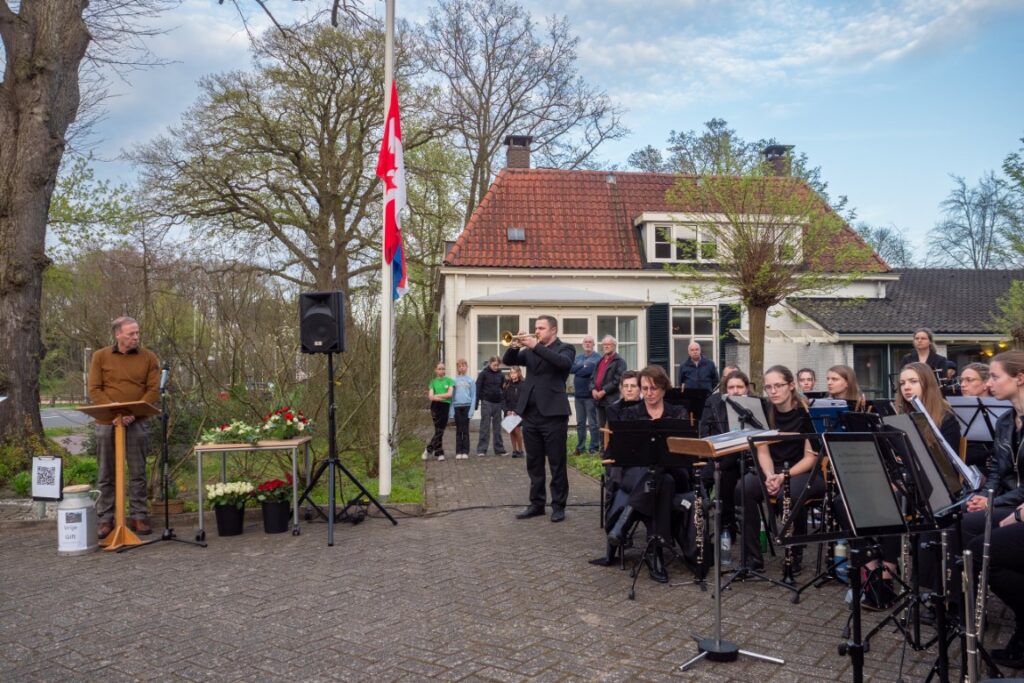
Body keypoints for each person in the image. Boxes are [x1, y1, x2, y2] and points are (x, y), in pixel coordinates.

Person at [591, 366, 689, 582]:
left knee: (660, 473)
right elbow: (619, 452)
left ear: (664, 388)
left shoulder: (678, 413)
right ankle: (656, 551)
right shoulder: (630, 414)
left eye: (654, 388)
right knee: (660, 480)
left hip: (672, 470)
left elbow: (682, 452)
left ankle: (625, 521)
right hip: (635, 473)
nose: (649, 393)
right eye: (645, 388)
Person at [735, 365, 823, 573]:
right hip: (772, 470)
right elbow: (762, 451)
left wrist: (783, 477)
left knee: (789, 493)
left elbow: (810, 458)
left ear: (791, 386)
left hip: (804, 471)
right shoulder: (764, 412)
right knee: (743, 487)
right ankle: (752, 559)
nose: (773, 391)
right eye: (768, 387)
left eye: (778, 386)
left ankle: (795, 554)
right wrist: (769, 476)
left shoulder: (807, 412)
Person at [88, 316, 160, 539]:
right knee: (106, 472)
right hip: (106, 423)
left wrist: (132, 413)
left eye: (137, 333)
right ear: (118, 334)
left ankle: (138, 514)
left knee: (138, 471)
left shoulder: (148, 357)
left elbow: (153, 390)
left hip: (136, 422)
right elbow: (94, 388)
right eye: (131, 334)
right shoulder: (100, 356)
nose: (136, 337)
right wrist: (114, 411)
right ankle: (105, 519)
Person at [502, 315, 576, 522]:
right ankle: (537, 504)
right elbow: (508, 361)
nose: (537, 331)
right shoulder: (530, 351)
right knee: (533, 463)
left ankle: (559, 506)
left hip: (554, 414)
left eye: (541, 328)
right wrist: (515, 345)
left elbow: (562, 364)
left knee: (556, 463)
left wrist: (536, 346)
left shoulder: (565, 348)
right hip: (531, 414)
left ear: (553, 330)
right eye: (536, 328)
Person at [699, 370, 752, 551]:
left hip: (749, 460)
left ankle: (726, 524)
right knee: (723, 471)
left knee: (721, 470)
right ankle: (722, 526)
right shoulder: (714, 403)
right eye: (731, 387)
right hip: (720, 457)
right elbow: (704, 433)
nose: (735, 391)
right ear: (725, 390)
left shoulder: (756, 405)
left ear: (747, 389)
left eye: (739, 387)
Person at [959, 362, 994, 469]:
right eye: (961, 380)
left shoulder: (1000, 409)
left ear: (985, 384)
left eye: (969, 380)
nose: (962, 384)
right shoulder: (957, 409)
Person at [571, 336, 601, 455]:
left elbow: (590, 371)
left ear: (593, 344)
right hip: (578, 396)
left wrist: (580, 370)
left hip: (590, 396)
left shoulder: (597, 358)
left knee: (593, 423)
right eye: (585, 342)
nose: (587, 344)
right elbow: (571, 369)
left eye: (590, 342)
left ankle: (594, 448)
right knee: (580, 423)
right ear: (583, 344)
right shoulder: (578, 357)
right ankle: (580, 447)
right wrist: (582, 367)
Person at [591, 335, 627, 433]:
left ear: (614, 346)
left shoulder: (620, 362)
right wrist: (593, 389)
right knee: (601, 426)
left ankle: (613, 447)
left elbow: (617, 380)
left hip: (611, 399)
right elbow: (593, 377)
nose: (606, 346)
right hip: (599, 399)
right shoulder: (600, 361)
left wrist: (604, 391)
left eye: (609, 344)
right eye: (604, 345)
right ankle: (603, 448)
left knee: (613, 426)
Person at [475, 357, 507, 457]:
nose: (496, 367)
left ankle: (499, 450)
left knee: (497, 427)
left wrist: (504, 406)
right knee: (485, 426)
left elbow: (503, 389)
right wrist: (476, 404)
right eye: (494, 365)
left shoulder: (501, 375)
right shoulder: (483, 374)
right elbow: (478, 388)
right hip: (486, 402)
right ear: (490, 363)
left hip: (497, 403)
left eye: (498, 365)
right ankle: (481, 450)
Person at [424, 362, 453, 461]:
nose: (441, 370)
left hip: (445, 406)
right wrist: (441, 397)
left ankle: (428, 449)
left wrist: (437, 396)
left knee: (441, 429)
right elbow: (430, 396)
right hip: (435, 406)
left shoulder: (449, 381)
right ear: (435, 370)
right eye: (439, 368)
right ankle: (439, 452)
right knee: (438, 429)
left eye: (443, 368)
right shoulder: (433, 382)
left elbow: (449, 394)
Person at [449, 359, 476, 460]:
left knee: (465, 430)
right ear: (457, 368)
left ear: (466, 367)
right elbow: (451, 397)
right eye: (460, 366)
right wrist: (451, 411)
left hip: (467, 407)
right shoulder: (454, 381)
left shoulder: (470, 380)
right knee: (458, 430)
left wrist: (471, 411)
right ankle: (458, 451)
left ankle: (465, 451)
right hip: (457, 407)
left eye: (464, 366)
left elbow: (473, 396)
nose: (462, 368)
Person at [502, 367, 525, 458]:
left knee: (517, 430)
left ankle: (520, 450)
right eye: (511, 373)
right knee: (511, 431)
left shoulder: (523, 384)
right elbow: (503, 399)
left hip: (517, 412)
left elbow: (523, 400)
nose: (513, 374)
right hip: (508, 411)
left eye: (514, 373)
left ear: (518, 373)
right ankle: (514, 450)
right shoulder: (507, 385)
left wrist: (516, 411)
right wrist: (506, 410)